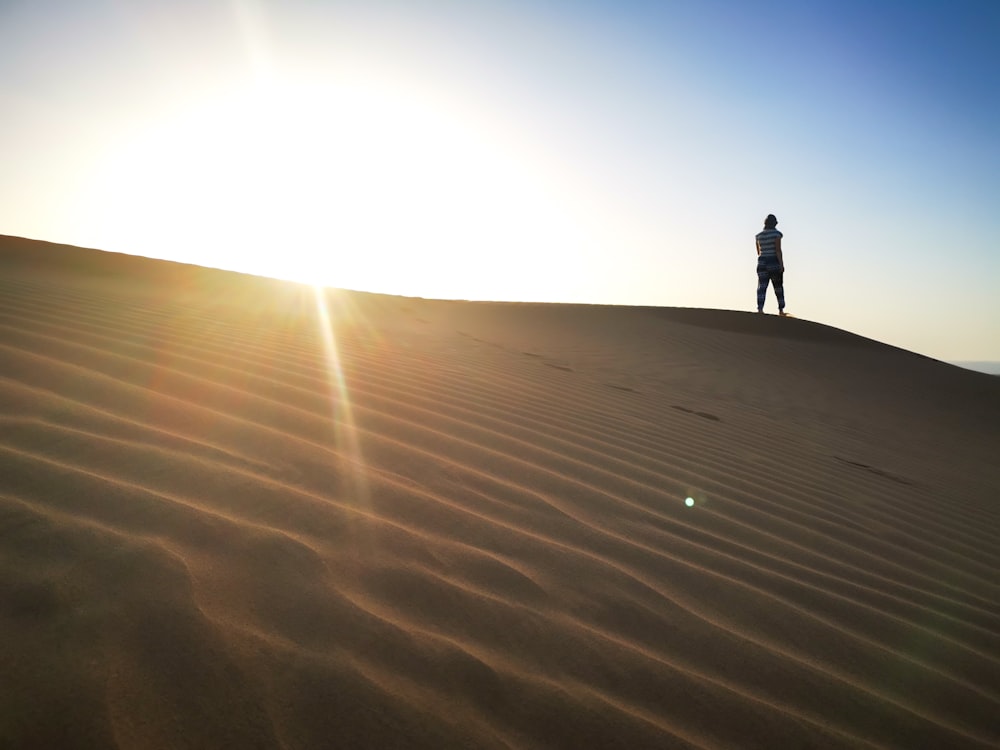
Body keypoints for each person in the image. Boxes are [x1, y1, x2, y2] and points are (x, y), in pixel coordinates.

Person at [755, 213, 786, 315]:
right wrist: (781, 264)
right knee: (778, 286)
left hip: (762, 261)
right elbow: (778, 250)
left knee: (762, 286)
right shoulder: (777, 234)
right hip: (773, 261)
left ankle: (760, 309)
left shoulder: (759, 236)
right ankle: (781, 310)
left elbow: (758, 252)